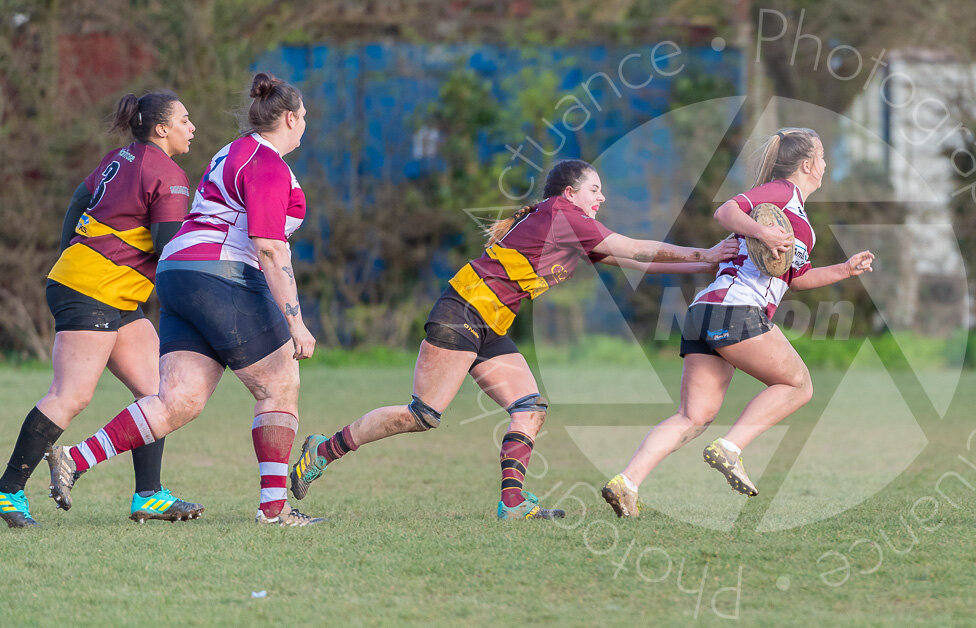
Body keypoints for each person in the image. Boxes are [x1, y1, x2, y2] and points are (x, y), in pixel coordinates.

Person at [285, 158, 737, 520]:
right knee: (422, 415)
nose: (603, 196)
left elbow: (644, 264)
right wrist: (708, 252)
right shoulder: (564, 215)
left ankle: (513, 503)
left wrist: (709, 263)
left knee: (530, 409)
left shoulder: (571, 224)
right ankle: (321, 451)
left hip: (490, 323)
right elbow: (637, 248)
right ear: (569, 194)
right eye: (594, 188)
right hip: (462, 311)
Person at [44, 72, 325, 526]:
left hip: (177, 272)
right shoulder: (269, 164)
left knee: (179, 400)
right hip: (221, 274)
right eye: (305, 117)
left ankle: (74, 459)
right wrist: (296, 322)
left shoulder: (230, 151)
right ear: (291, 118)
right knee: (279, 385)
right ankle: (274, 511)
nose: (306, 125)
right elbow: (269, 247)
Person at [600, 127, 876, 518]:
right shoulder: (780, 191)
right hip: (735, 308)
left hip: (707, 311)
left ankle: (625, 482)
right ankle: (730, 448)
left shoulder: (802, 222)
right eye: (824, 156)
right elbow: (726, 211)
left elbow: (796, 279)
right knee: (798, 384)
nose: (827, 164)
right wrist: (762, 230)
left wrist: (845, 270)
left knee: (693, 416)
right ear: (809, 164)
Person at [0, 91, 204, 529]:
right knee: (71, 396)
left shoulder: (122, 157)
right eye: (185, 120)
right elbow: (169, 250)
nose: (192, 128)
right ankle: (8, 492)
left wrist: (70, 257)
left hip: (108, 290)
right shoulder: (168, 175)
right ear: (162, 129)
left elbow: (78, 201)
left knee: (158, 392)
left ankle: (148, 494)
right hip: (93, 289)